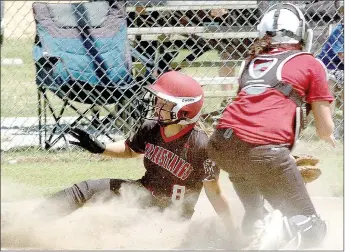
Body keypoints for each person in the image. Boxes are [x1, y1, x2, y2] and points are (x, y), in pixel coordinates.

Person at [33, 71, 235, 235]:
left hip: (170, 216)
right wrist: (101, 148)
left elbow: (214, 193)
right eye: (157, 100)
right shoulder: (152, 127)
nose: (156, 106)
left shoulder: (201, 145)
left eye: (163, 103)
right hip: (141, 193)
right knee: (86, 189)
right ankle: (28, 222)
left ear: (184, 110)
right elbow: (131, 149)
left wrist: (232, 232)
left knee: (109, 229)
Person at [207, 3, 335, 250]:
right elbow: (325, 129)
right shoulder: (310, 63)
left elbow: (249, 111)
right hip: (263, 152)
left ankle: (256, 224)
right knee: (312, 229)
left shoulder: (251, 62)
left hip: (223, 146)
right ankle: (267, 236)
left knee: (258, 215)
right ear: (302, 32)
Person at [316, 1, 344, 137]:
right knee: (330, 87)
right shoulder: (339, 31)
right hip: (329, 67)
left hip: (341, 69)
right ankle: (331, 125)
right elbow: (343, 56)